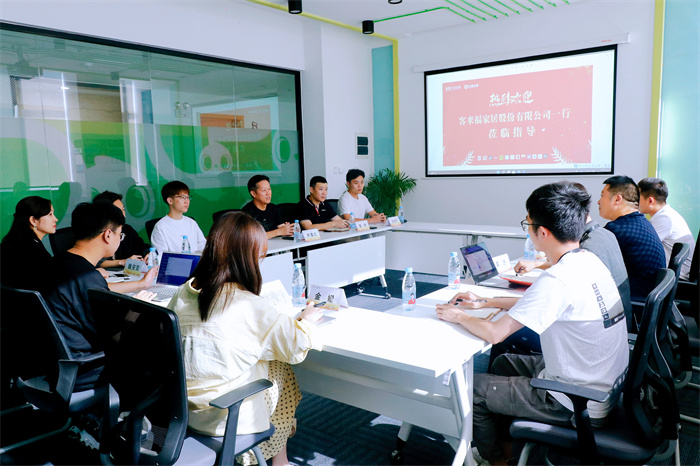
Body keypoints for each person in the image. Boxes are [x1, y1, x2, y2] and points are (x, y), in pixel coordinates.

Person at [435, 182, 628, 464]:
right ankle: (508, 449)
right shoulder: (587, 260)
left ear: (543, 232)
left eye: (528, 224)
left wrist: (458, 315)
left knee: (470, 391)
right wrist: (485, 301)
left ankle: (494, 460)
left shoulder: (558, 278)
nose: (527, 230)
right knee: (503, 364)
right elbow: (539, 302)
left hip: (575, 401)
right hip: (600, 385)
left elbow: (495, 333)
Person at [168, 212, 322, 466]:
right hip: (225, 416)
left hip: (180, 410)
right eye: (259, 256)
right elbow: (296, 346)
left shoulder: (185, 291)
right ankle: (275, 458)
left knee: (265, 356)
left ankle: (278, 458)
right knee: (280, 366)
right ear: (245, 258)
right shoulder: (248, 304)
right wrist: (307, 321)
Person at [44, 203, 157, 390]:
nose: (120, 240)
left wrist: (140, 284)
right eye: (120, 235)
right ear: (108, 235)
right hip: (87, 367)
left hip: (56, 362)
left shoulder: (58, 263)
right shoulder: (88, 278)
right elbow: (116, 338)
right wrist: (138, 307)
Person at [598, 175, 666, 301]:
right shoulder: (643, 222)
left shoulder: (617, 229)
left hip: (635, 303)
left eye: (602, 196)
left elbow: (591, 264)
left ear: (617, 199)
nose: (598, 202)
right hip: (650, 301)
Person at [638, 177, 695, 280]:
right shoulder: (666, 215)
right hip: (674, 275)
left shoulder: (664, 218)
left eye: (638, 198)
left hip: (676, 279)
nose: (635, 202)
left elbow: (642, 247)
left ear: (650, 200)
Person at [0, 196, 57, 294]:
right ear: (33, 220)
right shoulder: (36, 254)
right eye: (50, 214)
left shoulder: (9, 244)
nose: (55, 219)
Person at [93, 190, 150, 267]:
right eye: (119, 210)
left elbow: (142, 247)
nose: (123, 214)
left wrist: (148, 253)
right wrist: (122, 262)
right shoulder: (94, 233)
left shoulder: (127, 230)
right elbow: (93, 261)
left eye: (123, 209)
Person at [150, 181, 206, 254]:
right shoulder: (161, 227)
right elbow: (161, 256)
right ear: (170, 201)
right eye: (183, 197)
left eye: (188, 197)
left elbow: (203, 247)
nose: (187, 201)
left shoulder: (191, 223)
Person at [241, 175, 294, 239]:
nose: (268, 193)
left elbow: (281, 227)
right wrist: (279, 232)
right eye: (264, 190)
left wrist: (288, 229)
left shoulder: (273, 208)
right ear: (253, 193)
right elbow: (254, 236)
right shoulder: (246, 212)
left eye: (269, 189)